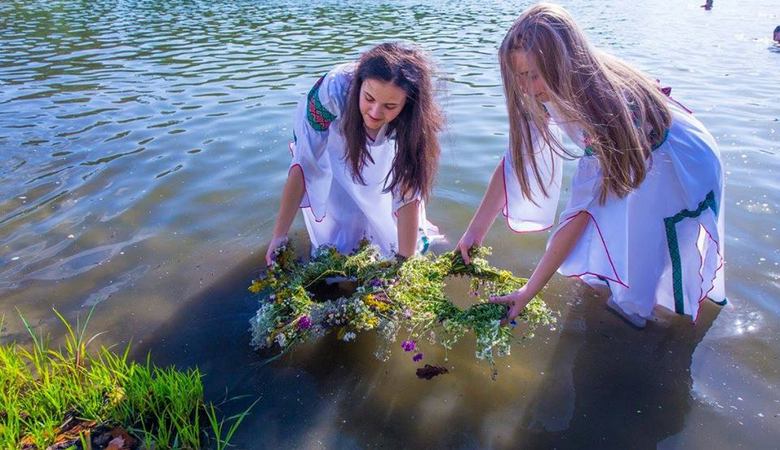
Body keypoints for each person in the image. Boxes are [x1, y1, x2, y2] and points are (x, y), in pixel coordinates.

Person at [457, 3, 726, 328]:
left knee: (642, 256)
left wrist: (529, 290)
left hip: (674, 160)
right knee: (609, 241)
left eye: (533, 76)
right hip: (634, 152)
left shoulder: (597, 111)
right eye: (519, 77)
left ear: (565, 62)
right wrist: (475, 231)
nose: (526, 87)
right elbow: (517, 156)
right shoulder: (545, 88)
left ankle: (652, 321)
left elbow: (582, 210)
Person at [266, 42, 444, 265]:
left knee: (382, 188)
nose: (375, 112)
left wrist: (404, 265)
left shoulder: (413, 117)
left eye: (389, 106)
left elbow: (407, 190)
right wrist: (279, 236)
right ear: (359, 85)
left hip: (391, 125)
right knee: (338, 193)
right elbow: (304, 166)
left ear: (407, 104)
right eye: (369, 98)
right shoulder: (331, 93)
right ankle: (343, 248)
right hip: (337, 123)